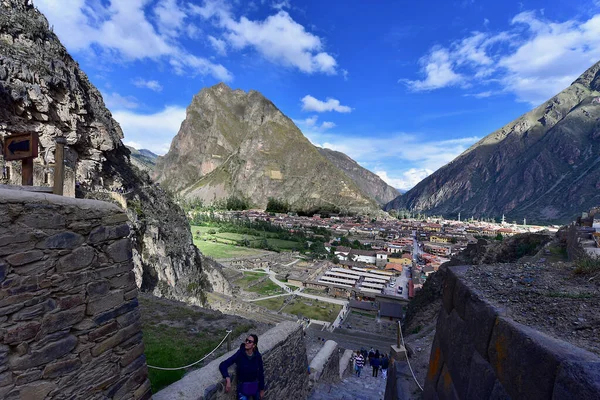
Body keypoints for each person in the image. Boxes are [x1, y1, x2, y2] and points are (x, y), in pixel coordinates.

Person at [219, 334, 265, 400]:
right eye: (246, 340)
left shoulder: (257, 356)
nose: (247, 342)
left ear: (254, 345)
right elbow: (223, 364)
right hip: (242, 388)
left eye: (249, 341)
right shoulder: (240, 354)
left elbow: (261, 373)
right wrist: (227, 378)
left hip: (255, 387)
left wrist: (261, 389)